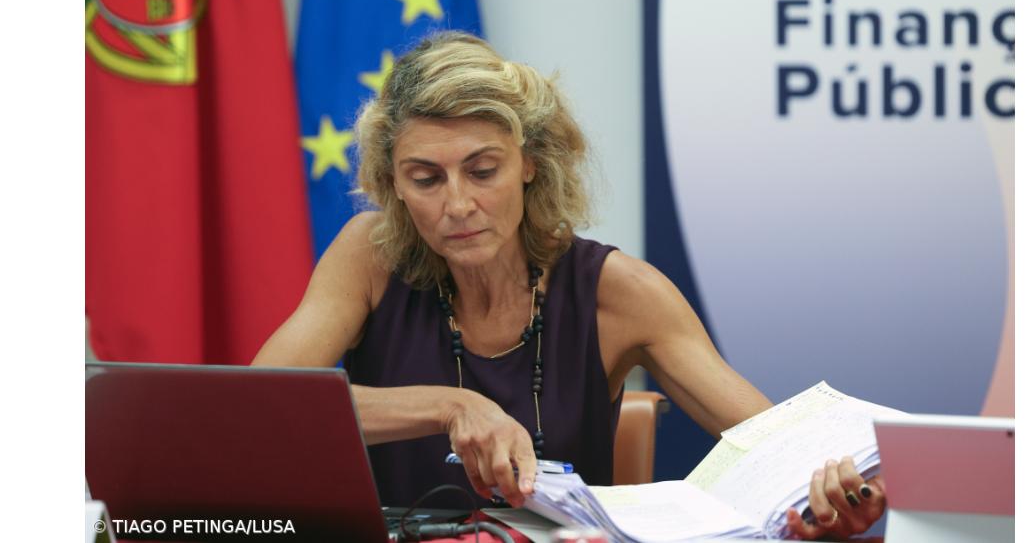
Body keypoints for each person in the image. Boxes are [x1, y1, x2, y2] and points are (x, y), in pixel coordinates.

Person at [253, 32, 885, 539]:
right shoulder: (370, 255)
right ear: (392, 183)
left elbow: (775, 451)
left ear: (530, 163)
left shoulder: (619, 291)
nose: (458, 204)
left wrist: (826, 501)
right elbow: (261, 406)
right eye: (425, 179)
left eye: (483, 170)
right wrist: (452, 405)